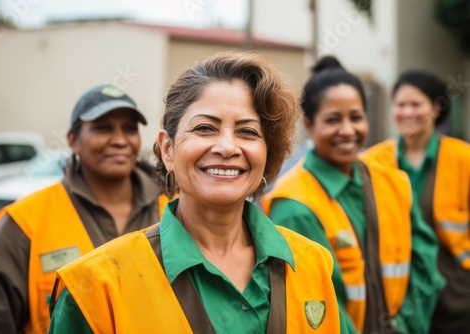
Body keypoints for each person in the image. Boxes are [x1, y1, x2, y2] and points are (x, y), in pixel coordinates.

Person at [48, 51, 347, 333]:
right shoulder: (95, 286)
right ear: (168, 149)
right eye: (205, 128)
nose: (228, 147)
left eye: (247, 132)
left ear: (268, 153)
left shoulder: (313, 263)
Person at [263, 56, 445, 334]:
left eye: (356, 117)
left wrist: (408, 326)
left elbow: (424, 264)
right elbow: (316, 305)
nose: (347, 130)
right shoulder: (295, 205)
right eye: (333, 120)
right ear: (309, 125)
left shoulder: (393, 181)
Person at [0, 84, 163, 334]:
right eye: (103, 128)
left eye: (129, 128)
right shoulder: (21, 224)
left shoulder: (174, 209)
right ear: (73, 140)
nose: (120, 140)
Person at [362, 69, 470, 334]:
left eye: (416, 104)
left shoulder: (463, 159)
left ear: (436, 108)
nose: (407, 112)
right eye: (400, 104)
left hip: (457, 299)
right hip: (396, 299)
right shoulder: (373, 162)